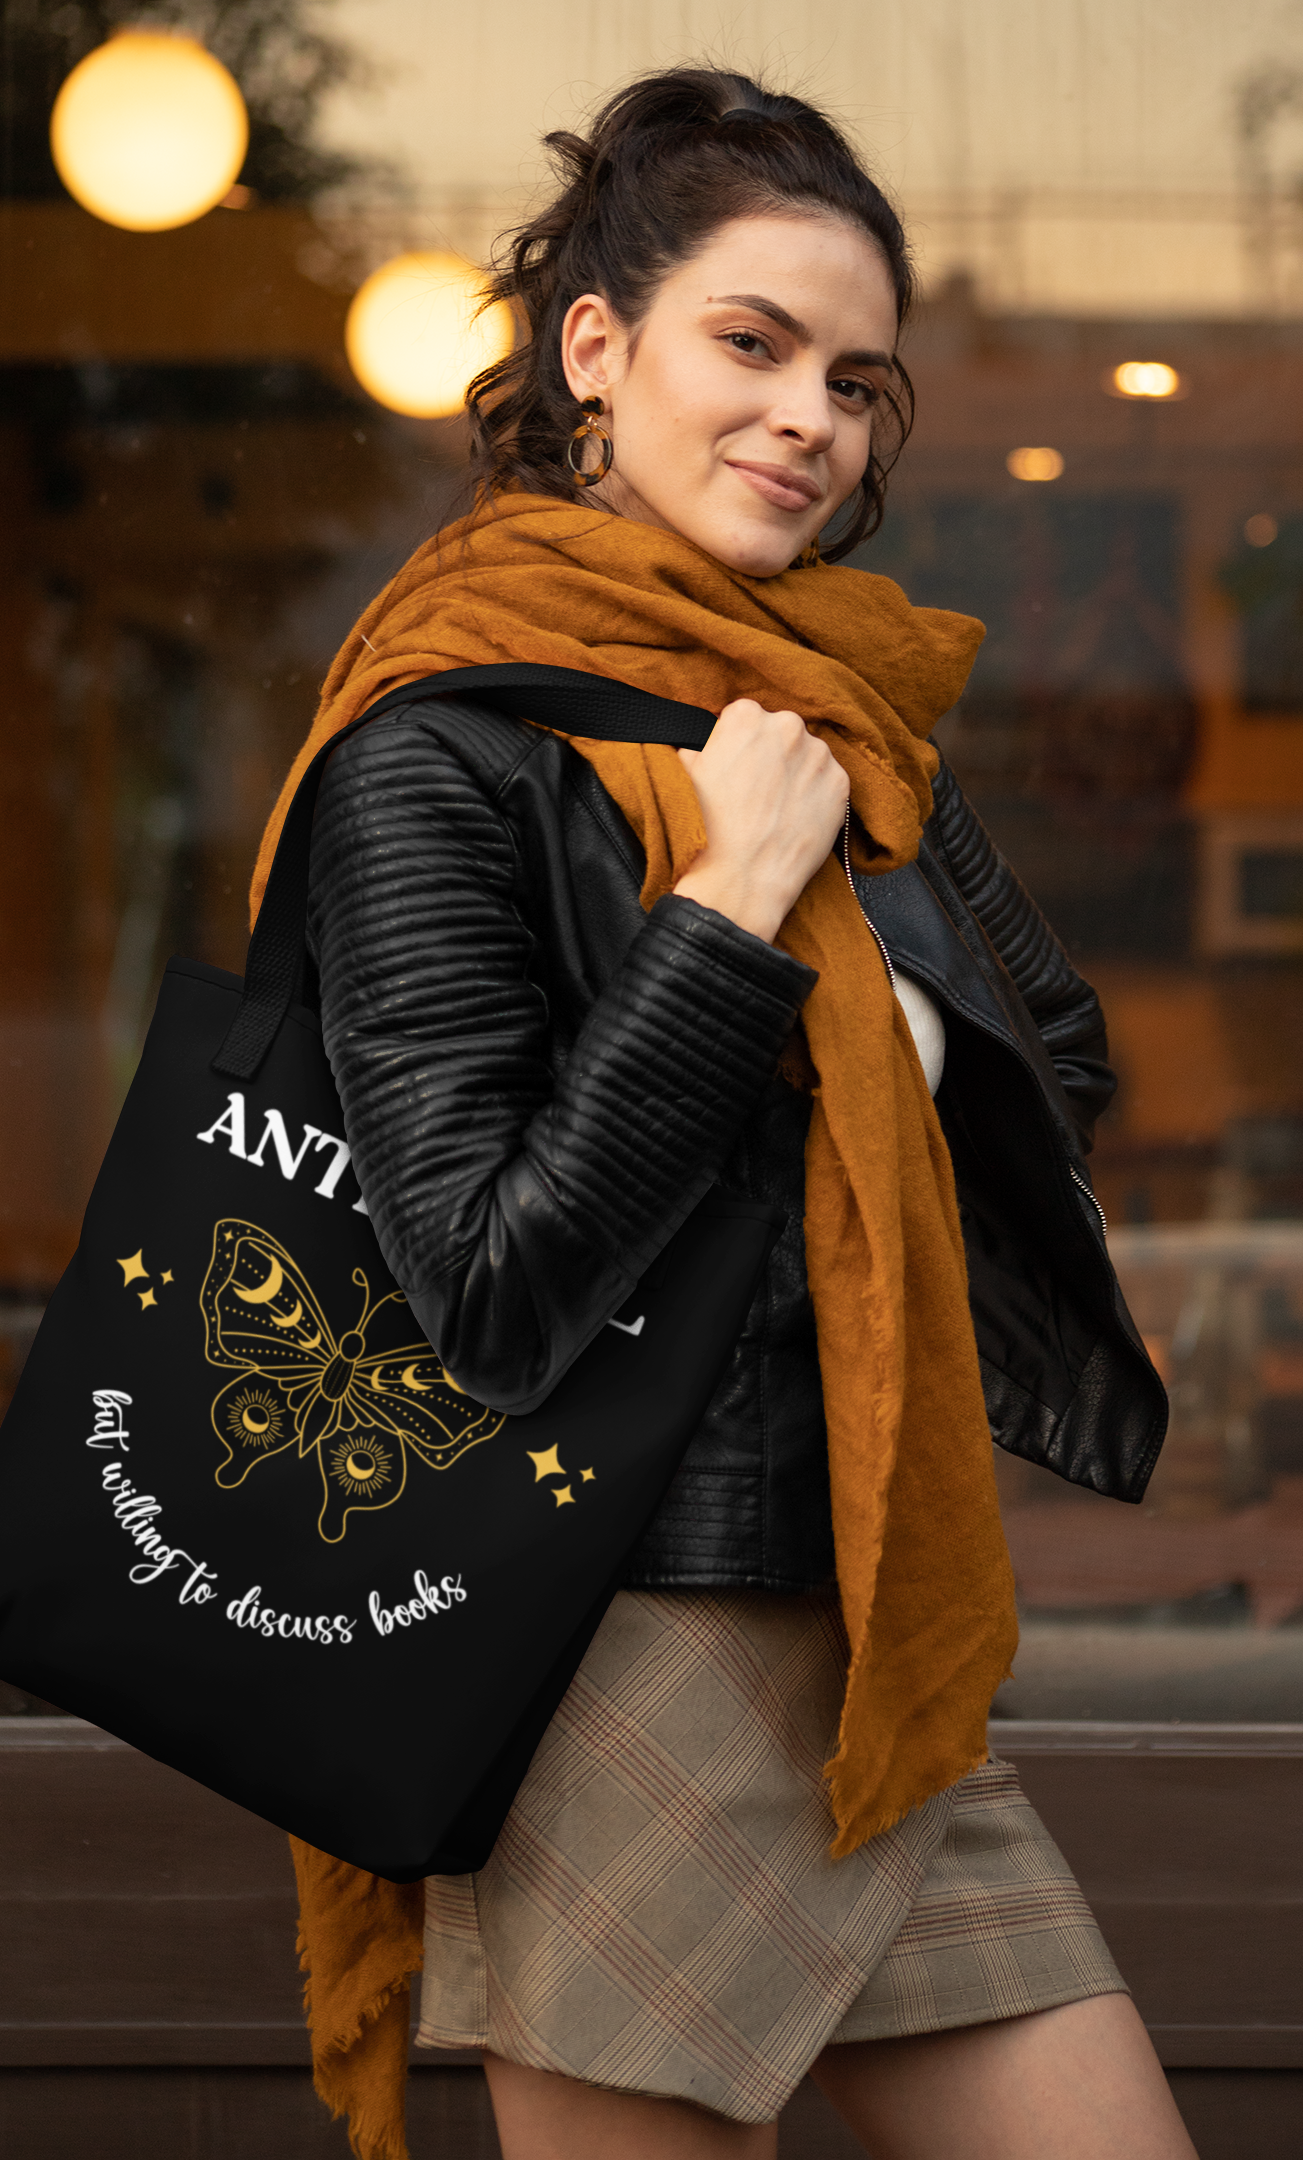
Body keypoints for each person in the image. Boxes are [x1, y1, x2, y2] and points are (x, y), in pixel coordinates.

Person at [251, 66, 1196, 2160]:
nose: (812, 419)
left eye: (856, 380)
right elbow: (490, 1294)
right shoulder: (441, 742)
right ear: (599, 351)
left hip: (874, 1655)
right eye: (749, 346)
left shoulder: (828, 717)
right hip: (612, 1660)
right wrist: (725, 915)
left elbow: (1052, 1063)